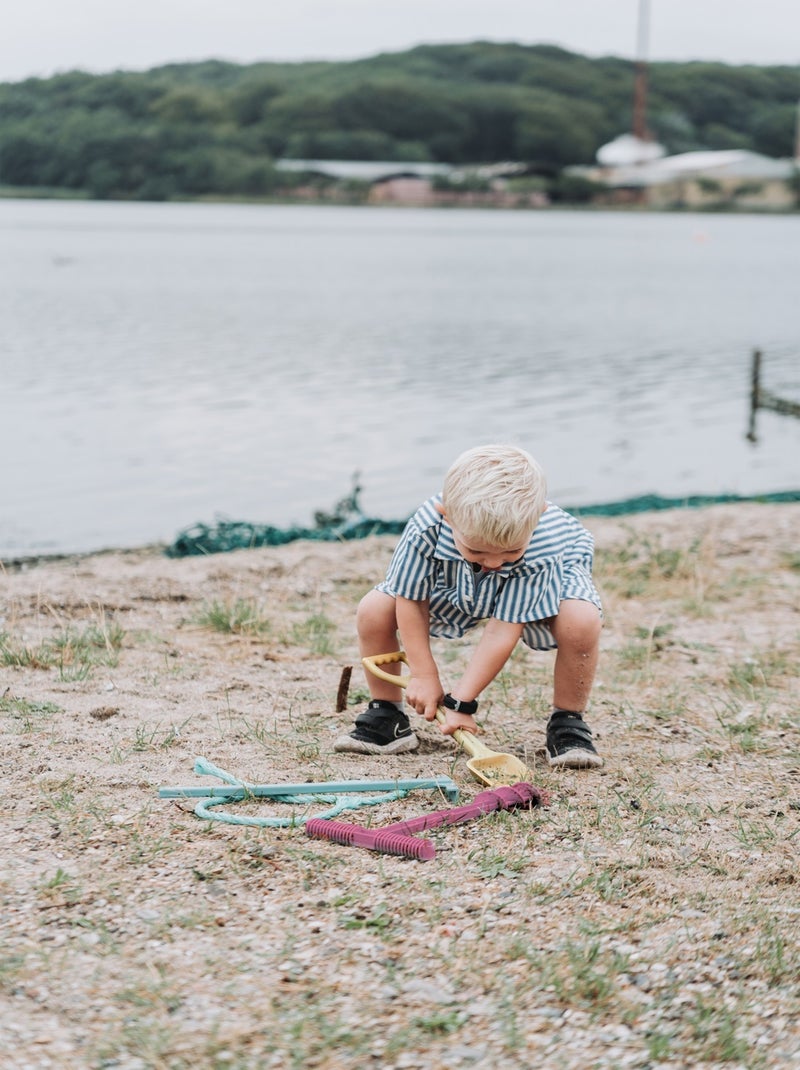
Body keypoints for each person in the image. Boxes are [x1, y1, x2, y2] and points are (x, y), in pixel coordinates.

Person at [334, 444, 604, 769]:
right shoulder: (427, 524)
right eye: (477, 550)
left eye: (509, 552)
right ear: (447, 516)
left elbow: (503, 628)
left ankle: (568, 722)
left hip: (543, 583)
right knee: (374, 609)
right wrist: (422, 674)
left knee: (581, 620)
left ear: (538, 518)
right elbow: (410, 597)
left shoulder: (542, 542)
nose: (493, 563)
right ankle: (387, 717)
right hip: (456, 583)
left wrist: (461, 702)